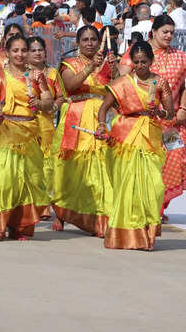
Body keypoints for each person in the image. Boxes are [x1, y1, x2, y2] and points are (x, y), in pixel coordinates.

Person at [0, 35, 53, 240]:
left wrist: (39, 102)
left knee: (27, 181)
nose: (20, 54)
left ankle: (21, 227)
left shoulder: (36, 76)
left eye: (23, 50)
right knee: (3, 179)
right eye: (15, 50)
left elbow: (48, 102)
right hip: (6, 130)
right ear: (7, 53)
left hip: (29, 132)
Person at [98, 41, 173, 250]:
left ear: (151, 61)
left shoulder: (160, 82)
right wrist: (102, 126)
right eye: (137, 62)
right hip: (126, 135)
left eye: (144, 62)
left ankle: (147, 233)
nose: (140, 66)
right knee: (128, 186)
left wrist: (160, 113)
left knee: (154, 187)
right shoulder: (123, 82)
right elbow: (104, 108)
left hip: (150, 135)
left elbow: (170, 112)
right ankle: (132, 235)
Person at [118, 15, 186, 219]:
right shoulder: (139, 52)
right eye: (165, 31)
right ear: (153, 32)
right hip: (145, 121)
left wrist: (183, 108)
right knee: (146, 164)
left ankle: (158, 204)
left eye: (172, 32)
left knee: (175, 161)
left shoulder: (180, 56)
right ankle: (146, 205)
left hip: (172, 122)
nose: (169, 36)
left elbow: (184, 86)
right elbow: (122, 79)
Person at [51, 26, 116, 237]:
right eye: (85, 39)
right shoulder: (69, 64)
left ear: (99, 42)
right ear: (78, 42)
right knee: (71, 168)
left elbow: (117, 89)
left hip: (101, 118)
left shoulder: (106, 64)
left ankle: (99, 218)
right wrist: (89, 68)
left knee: (100, 167)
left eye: (93, 39)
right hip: (76, 117)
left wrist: (114, 71)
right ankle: (62, 211)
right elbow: (70, 86)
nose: (90, 43)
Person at [27, 36, 65, 206]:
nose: (37, 53)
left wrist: (52, 107)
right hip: (27, 124)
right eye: (33, 50)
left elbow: (61, 97)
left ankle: (43, 202)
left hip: (47, 124)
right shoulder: (23, 73)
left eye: (40, 50)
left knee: (47, 163)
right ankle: (30, 200)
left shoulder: (52, 73)